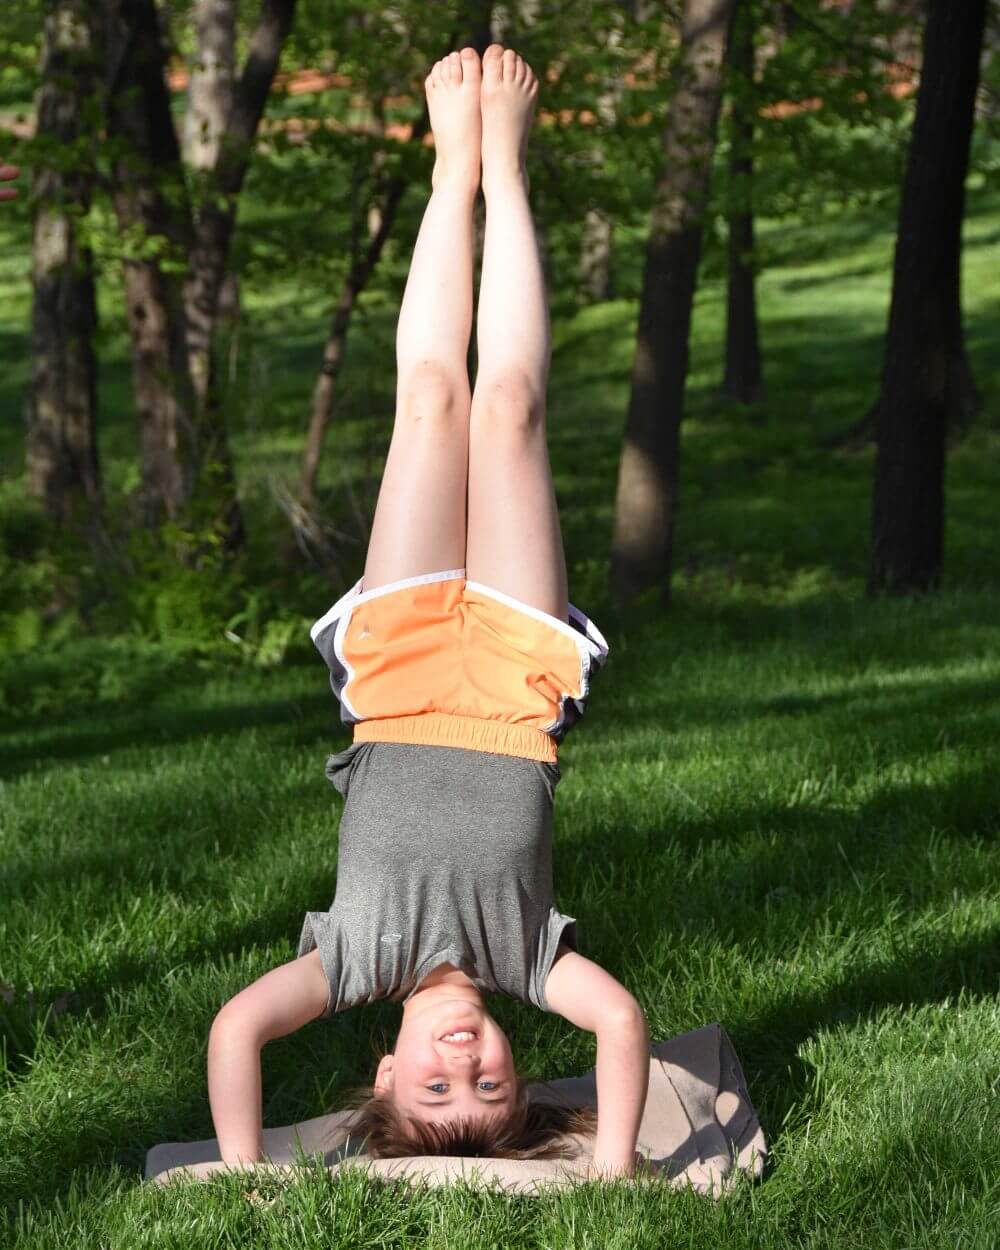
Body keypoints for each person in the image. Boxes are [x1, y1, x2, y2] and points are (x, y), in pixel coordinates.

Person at [207, 44, 649, 1178]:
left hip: (398, 687)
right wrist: (607, 1172)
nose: (466, 1059)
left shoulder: (350, 961)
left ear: (385, 1073)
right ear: (515, 1060)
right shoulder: (531, 961)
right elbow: (618, 1024)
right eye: (493, 1082)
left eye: (437, 1085)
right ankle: (505, 162)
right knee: (507, 408)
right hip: (509, 687)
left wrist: (249, 1171)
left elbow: (235, 1029)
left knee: (430, 400)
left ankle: (450, 170)